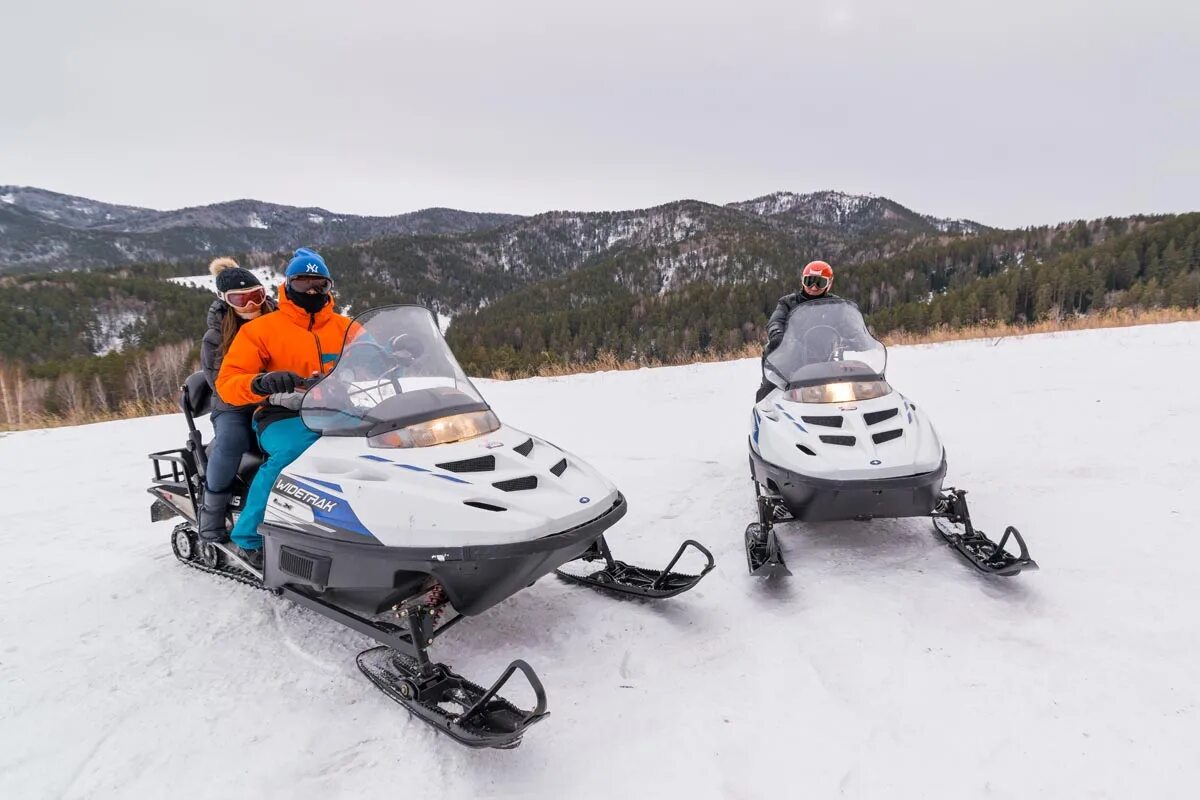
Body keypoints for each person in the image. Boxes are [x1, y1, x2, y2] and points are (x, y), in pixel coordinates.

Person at [216, 248, 353, 569]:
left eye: (319, 285)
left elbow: (375, 355)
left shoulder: (345, 327)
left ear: (329, 287)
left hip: (336, 408)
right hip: (280, 415)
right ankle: (249, 536)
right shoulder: (260, 330)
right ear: (288, 286)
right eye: (303, 284)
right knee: (296, 451)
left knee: (378, 446)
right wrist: (261, 382)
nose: (311, 292)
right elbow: (228, 382)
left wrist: (401, 351)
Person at [197, 258, 276, 544]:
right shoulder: (216, 336)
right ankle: (211, 517)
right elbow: (219, 382)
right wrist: (259, 386)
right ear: (225, 300)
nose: (250, 304)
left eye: (256, 296)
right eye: (239, 299)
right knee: (233, 441)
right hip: (232, 404)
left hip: (279, 398)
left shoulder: (279, 320)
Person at [756, 260, 837, 402]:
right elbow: (776, 320)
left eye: (819, 283)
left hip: (827, 360)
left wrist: (859, 338)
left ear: (828, 284)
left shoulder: (836, 305)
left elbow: (849, 324)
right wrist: (777, 335)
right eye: (809, 281)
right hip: (792, 358)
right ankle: (765, 410)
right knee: (771, 391)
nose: (813, 287)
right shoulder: (788, 302)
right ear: (802, 281)